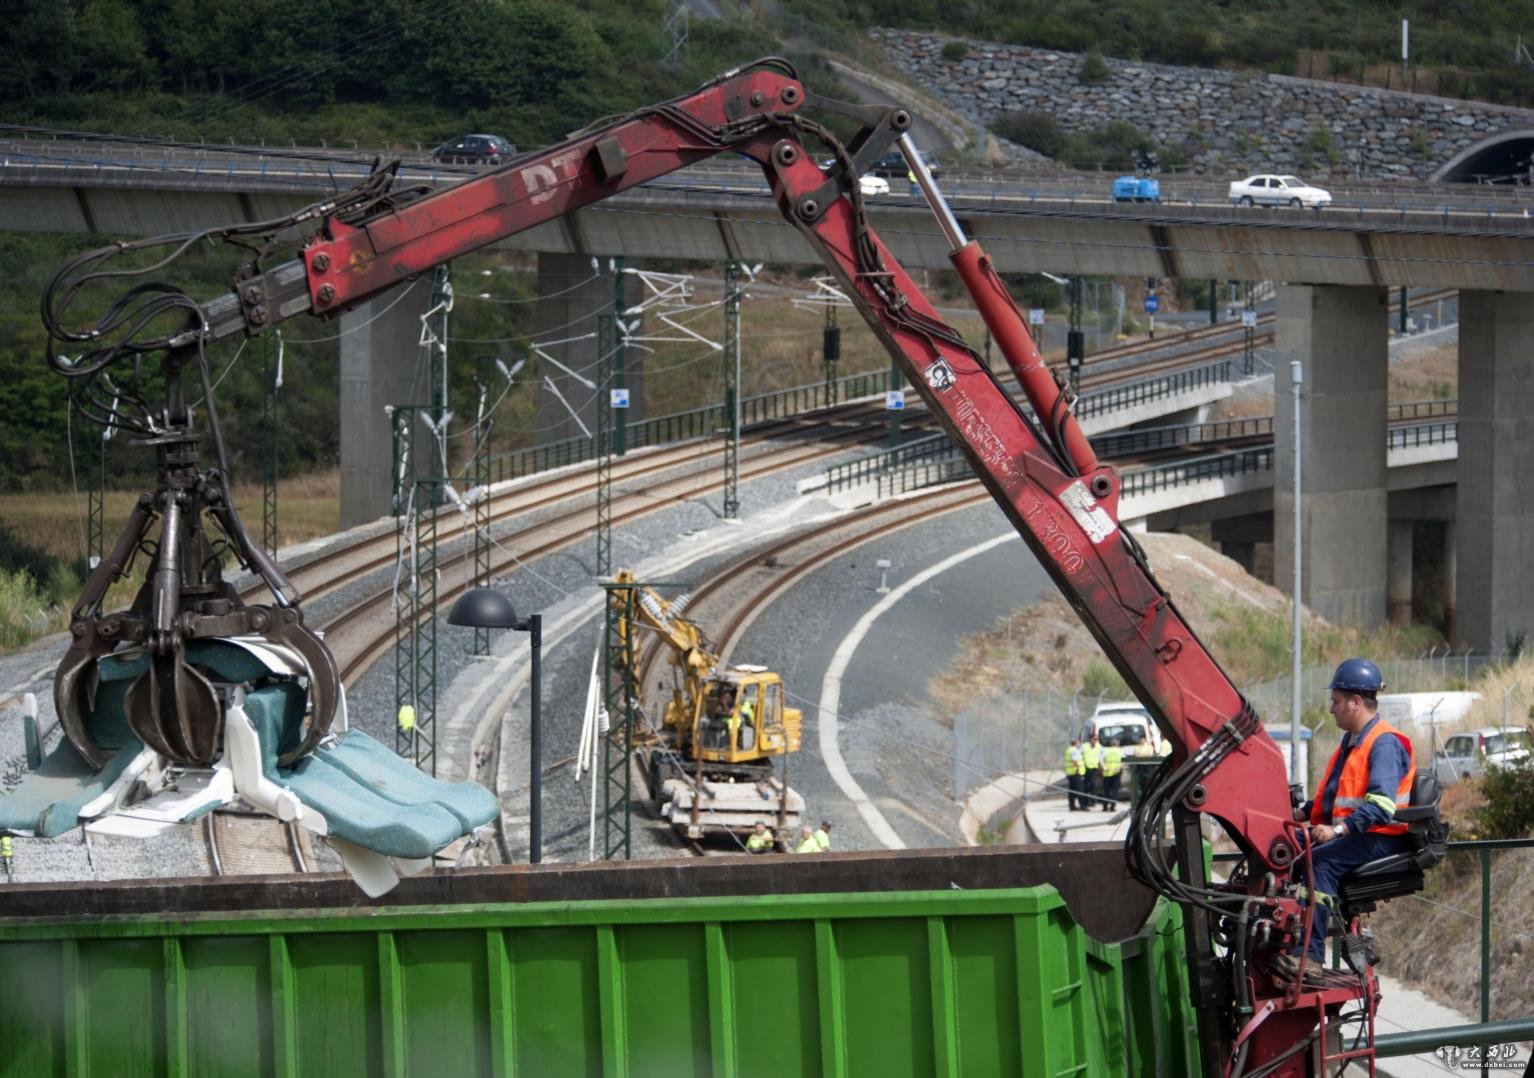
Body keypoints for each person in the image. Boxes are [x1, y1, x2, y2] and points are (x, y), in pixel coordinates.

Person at [1290, 658, 1415, 965]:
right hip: (1361, 833)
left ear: (1356, 702)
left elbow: (1381, 807)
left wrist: (1337, 830)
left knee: (1319, 862)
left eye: (1336, 701)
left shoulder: (1383, 743)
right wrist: (1299, 814)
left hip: (1382, 836)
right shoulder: (1353, 742)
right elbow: (1336, 800)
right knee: (1287, 849)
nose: (1331, 708)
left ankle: (1309, 958)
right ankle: (1296, 936)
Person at [1100, 738, 1124, 809]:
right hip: (1116, 773)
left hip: (1107, 773)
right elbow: (1123, 761)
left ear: (1110, 744)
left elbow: (1100, 759)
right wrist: (1119, 768)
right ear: (1118, 744)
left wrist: (1104, 767)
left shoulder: (1105, 750)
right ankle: (1112, 806)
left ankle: (1105, 806)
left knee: (1106, 791)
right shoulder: (1120, 751)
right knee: (1115, 791)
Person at [1082, 733, 1102, 810]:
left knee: (1093, 785)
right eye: (1094, 739)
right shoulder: (1084, 746)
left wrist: (1101, 767)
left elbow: (1101, 757)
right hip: (1085, 769)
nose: (1095, 741)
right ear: (1090, 739)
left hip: (1094, 769)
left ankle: (1093, 801)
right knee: (1086, 786)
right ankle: (1086, 802)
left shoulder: (1099, 746)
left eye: (1096, 739)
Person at [1064, 738, 1086, 810]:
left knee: (1072, 791)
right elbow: (1075, 761)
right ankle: (1082, 806)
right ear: (1076, 743)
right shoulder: (1073, 750)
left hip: (1071, 773)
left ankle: (1072, 806)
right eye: (1079, 743)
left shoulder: (1069, 749)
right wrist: (1078, 770)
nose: (1080, 745)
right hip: (1075, 773)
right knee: (1080, 790)